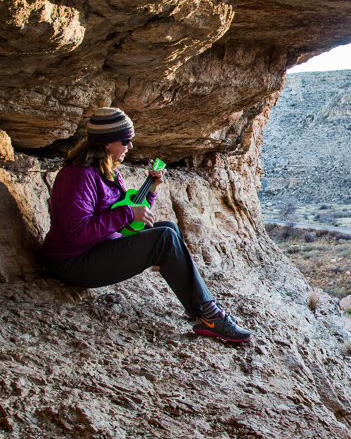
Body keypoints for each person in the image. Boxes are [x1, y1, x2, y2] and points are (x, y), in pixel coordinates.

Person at [41, 107, 251, 343]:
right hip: (71, 263)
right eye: (126, 141)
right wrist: (128, 214)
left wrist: (151, 189)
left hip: (97, 248)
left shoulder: (107, 171)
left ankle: (198, 309)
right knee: (164, 239)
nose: (130, 146)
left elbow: (126, 215)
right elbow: (78, 232)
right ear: (107, 142)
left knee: (168, 229)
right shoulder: (78, 175)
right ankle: (211, 315)